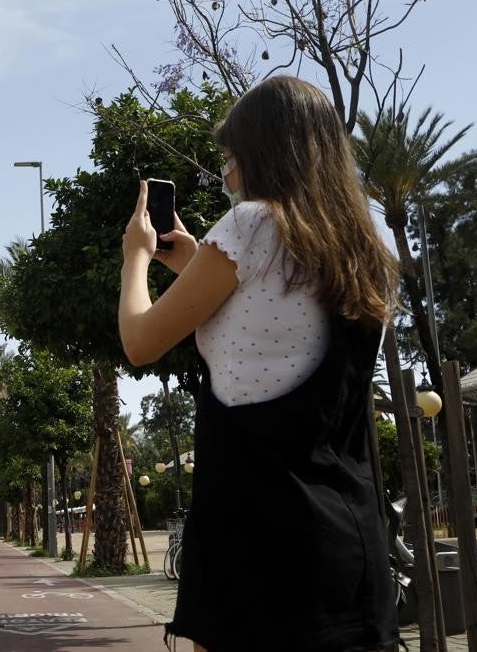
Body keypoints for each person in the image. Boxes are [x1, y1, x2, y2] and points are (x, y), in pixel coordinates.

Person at [118, 76, 400, 651]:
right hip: (348, 535)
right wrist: (199, 263)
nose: (226, 171)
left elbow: (140, 339)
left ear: (262, 152)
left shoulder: (250, 225)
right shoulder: (364, 247)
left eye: (230, 156)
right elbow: (271, 318)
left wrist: (137, 258)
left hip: (256, 534)